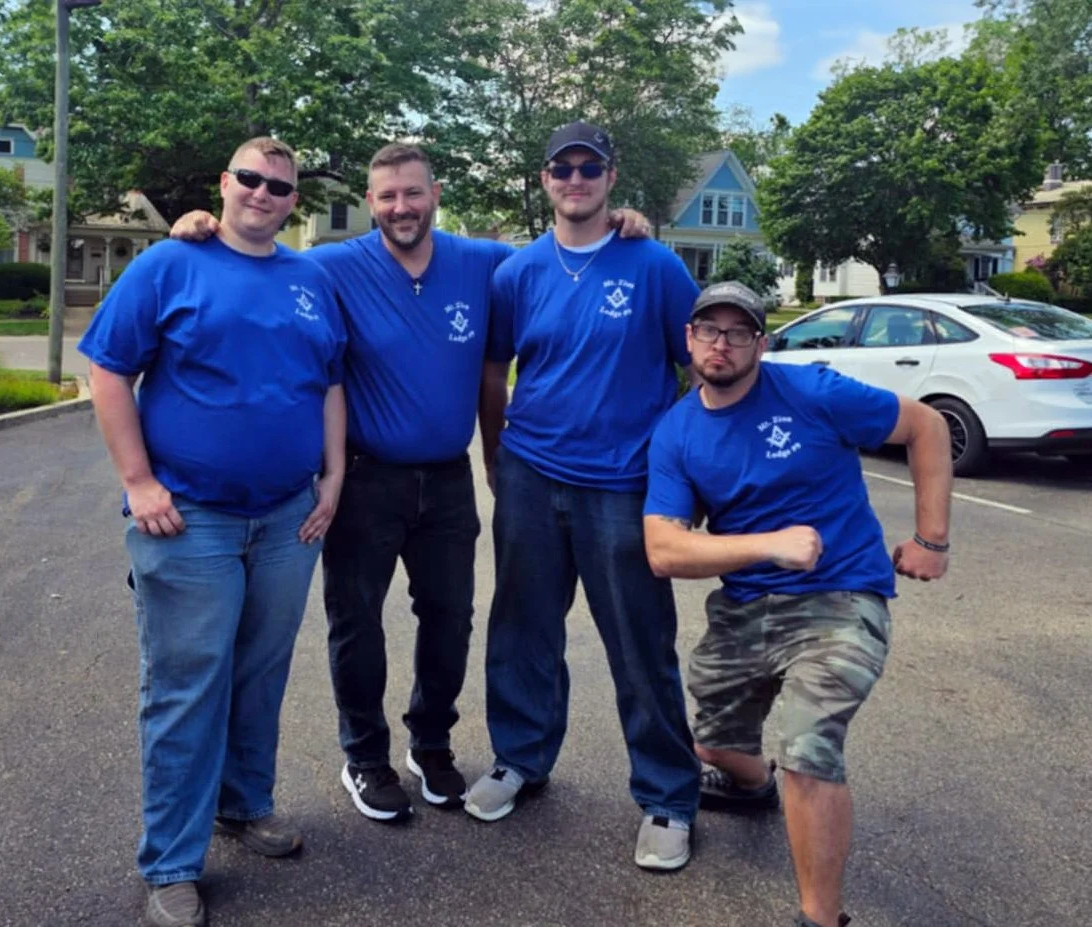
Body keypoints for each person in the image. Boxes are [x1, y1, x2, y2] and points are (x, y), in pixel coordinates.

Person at [169, 144, 652, 823]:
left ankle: (432, 743)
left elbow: (565, 249)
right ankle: (365, 755)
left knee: (452, 618)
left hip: (448, 483)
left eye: (413, 193)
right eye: (387, 195)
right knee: (357, 622)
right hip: (366, 479)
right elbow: (256, 258)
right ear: (370, 201)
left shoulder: (485, 263)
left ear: (435, 193)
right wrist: (202, 228)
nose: (401, 207)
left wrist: (624, 223)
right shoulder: (329, 267)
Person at [80, 137, 347, 927]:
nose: (264, 194)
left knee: (260, 671)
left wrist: (333, 475)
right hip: (188, 515)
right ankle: (170, 859)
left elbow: (327, 379)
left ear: (295, 201)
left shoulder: (311, 279)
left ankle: (243, 803)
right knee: (187, 686)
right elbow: (106, 369)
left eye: (280, 187)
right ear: (224, 185)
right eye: (252, 180)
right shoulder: (170, 264)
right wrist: (137, 480)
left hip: (287, 517)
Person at [642, 281, 953, 927]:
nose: (720, 343)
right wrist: (769, 545)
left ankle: (821, 918)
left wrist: (931, 539)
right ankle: (752, 786)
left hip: (840, 598)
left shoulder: (812, 391)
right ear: (688, 339)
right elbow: (665, 550)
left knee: (809, 745)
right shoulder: (675, 431)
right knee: (712, 742)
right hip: (748, 607)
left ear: (761, 340)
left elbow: (925, 424)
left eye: (737, 331)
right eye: (708, 330)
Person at [471, 121, 702, 872]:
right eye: (562, 168)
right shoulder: (517, 273)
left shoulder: (655, 265)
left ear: (610, 175)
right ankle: (519, 758)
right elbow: (495, 370)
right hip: (531, 476)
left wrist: (685, 473)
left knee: (639, 642)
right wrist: (497, 456)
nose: (576, 180)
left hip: (624, 483)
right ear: (544, 179)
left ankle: (668, 794)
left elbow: (698, 370)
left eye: (589, 167)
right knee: (523, 627)